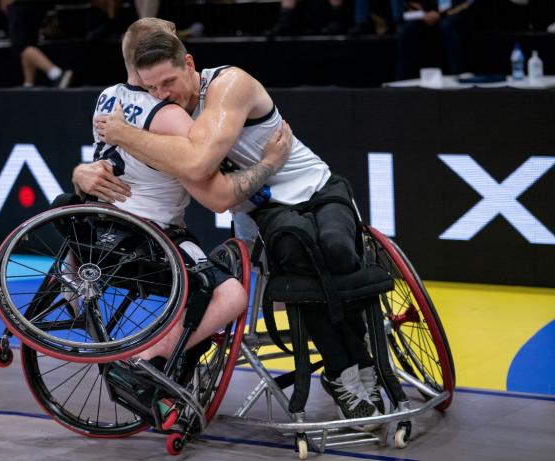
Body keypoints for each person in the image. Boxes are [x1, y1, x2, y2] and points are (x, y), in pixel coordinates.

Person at [94, 27, 384, 425]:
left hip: (315, 187)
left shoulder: (229, 84)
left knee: (335, 247)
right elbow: (214, 197)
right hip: (263, 211)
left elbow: (196, 164)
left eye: (168, 81)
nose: (161, 93)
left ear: (190, 65)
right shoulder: (170, 119)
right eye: (152, 87)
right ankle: (342, 374)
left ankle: (362, 359)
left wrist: (124, 132)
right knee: (299, 261)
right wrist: (87, 169)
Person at [71, 17, 293, 365]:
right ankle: (150, 360)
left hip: (98, 232)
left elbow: (103, 162)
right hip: (147, 237)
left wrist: (79, 172)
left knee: (203, 282)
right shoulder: (171, 115)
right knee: (231, 295)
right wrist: (269, 163)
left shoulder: (105, 98)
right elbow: (212, 188)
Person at [396, 1, 474, 80]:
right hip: (424, 14)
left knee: (447, 26)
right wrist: (419, 10)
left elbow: (467, 3)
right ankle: (403, 80)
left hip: (454, 13)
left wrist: (440, 14)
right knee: (409, 29)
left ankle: (458, 74)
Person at [7, 0, 73, 87]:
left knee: (20, 46)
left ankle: (57, 74)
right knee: (28, 44)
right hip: (38, 6)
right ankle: (28, 84)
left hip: (22, 4)